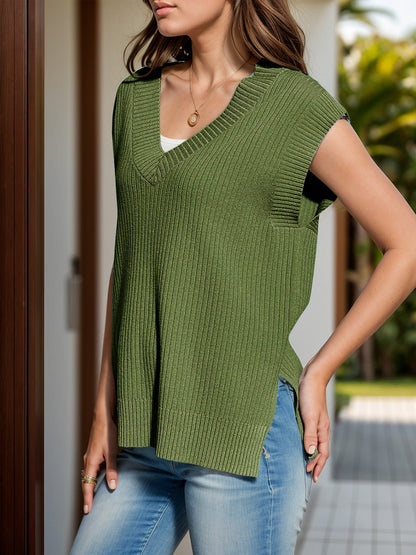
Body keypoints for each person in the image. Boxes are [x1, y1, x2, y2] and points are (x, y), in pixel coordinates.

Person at [70, 0, 416, 553]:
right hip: (142, 433)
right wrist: (102, 411)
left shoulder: (295, 108)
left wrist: (319, 371)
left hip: (244, 431)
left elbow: (407, 243)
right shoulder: (133, 100)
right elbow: (130, 260)